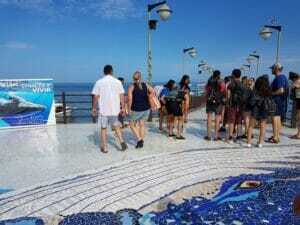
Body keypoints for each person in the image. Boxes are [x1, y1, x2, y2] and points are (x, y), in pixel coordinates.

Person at [92, 65, 128, 153]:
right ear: (112, 72)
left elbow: (96, 96)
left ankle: (105, 148)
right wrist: (123, 108)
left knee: (103, 128)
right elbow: (122, 96)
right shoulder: (118, 82)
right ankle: (122, 142)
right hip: (114, 110)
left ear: (104, 72)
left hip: (103, 110)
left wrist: (94, 108)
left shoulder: (99, 82)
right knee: (116, 126)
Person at [127, 71, 154, 148]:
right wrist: (149, 97)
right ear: (140, 77)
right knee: (142, 125)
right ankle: (141, 140)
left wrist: (129, 109)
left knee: (131, 125)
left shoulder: (131, 87)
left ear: (133, 78)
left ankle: (139, 140)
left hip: (136, 109)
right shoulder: (146, 85)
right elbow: (153, 92)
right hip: (146, 108)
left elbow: (130, 99)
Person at [247, 75, 272, 148]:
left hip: (256, 107)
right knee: (263, 126)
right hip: (264, 107)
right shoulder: (268, 89)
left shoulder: (256, 89)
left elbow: (251, 99)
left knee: (251, 125)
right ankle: (260, 143)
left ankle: (249, 142)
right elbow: (270, 98)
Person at [267, 63, 289, 144]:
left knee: (275, 118)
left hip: (276, 101)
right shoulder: (283, 77)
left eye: (272, 68)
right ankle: (277, 136)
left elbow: (281, 90)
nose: (271, 70)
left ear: (276, 69)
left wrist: (272, 93)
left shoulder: (279, 78)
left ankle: (275, 137)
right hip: (281, 101)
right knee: (278, 118)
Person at [205, 70, 226, 141]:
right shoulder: (221, 81)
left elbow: (206, 89)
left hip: (210, 101)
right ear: (219, 75)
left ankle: (208, 136)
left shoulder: (209, 80)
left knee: (209, 118)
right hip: (218, 102)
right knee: (217, 118)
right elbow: (223, 90)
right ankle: (216, 136)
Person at [226, 69, 245, 143]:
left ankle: (230, 137)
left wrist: (227, 102)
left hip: (232, 104)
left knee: (231, 120)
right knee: (239, 120)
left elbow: (228, 95)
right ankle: (239, 136)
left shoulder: (231, 84)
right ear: (240, 75)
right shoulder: (242, 84)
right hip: (240, 105)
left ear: (233, 75)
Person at [289, 71, 300, 139]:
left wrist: (294, 86)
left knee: (299, 118)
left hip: (299, 101)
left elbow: (291, 88)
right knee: (298, 118)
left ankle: (298, 134)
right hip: (298, 101)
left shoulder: (297, 82)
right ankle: (298, 133)